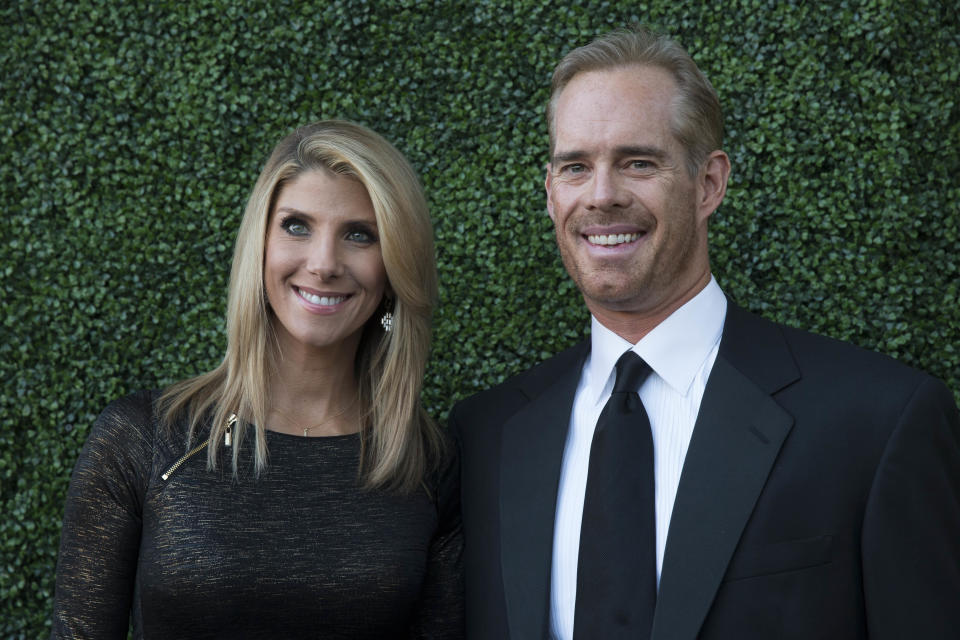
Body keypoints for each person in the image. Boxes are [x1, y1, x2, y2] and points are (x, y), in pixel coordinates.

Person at [450, 26, 960, 640]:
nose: (602, 195)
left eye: (638, 162)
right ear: (552, 193)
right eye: (576, 167)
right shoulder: (486, 436)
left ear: (709, 183)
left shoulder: (879, 422)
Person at [52, 120, 463, 639]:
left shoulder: (427, 464)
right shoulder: (144, 439)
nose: (323, 263)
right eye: (297, 226)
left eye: (360, 235)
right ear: (259, 245)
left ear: (394, 271)